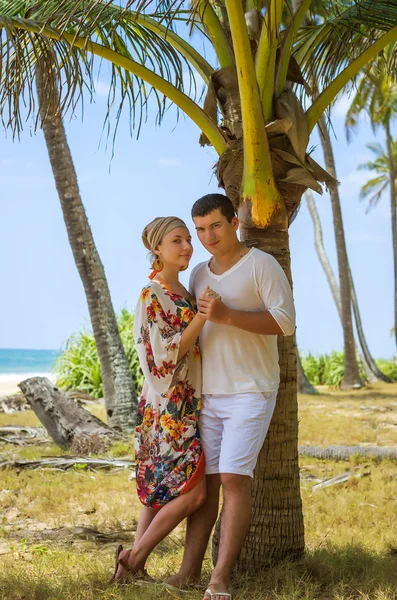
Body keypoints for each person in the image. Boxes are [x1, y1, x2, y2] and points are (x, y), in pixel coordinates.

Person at [167, 194, 296, 600]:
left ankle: (220, 578)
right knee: (204, 485)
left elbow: (285, 322)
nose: (207, 237)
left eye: (215, 226)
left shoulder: (262, 265)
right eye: (200, 229)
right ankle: (188, 573)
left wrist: (227, 316)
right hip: (210, 394)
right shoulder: (199, 274)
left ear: (234, 222)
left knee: (233, 479)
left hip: (252, 391)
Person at [111, 216, 215, 583]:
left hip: (185, 402)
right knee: (193, 495)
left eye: (189, 239)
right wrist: (202, 318)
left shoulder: (183, 291)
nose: (187, 246)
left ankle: (126, 576)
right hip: (168, 406)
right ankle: (134, 557)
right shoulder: (152, 293)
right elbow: (165, 355)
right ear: (157, 248)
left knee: (158, 491)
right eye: (177, 240)